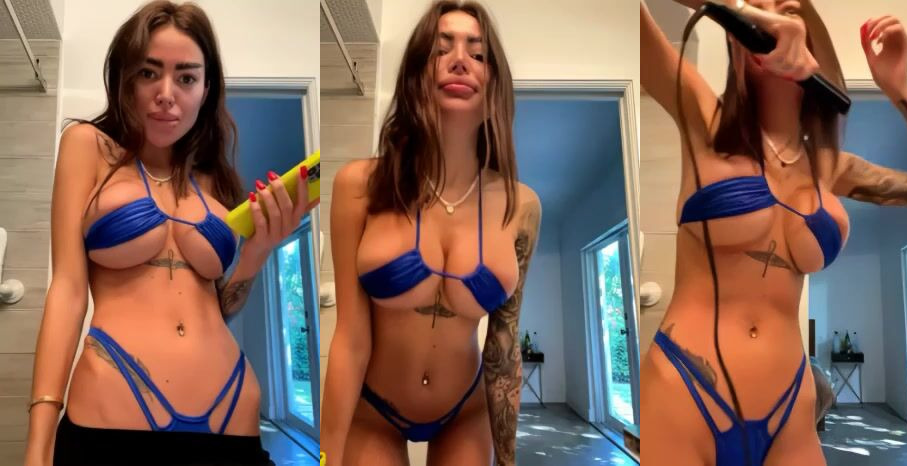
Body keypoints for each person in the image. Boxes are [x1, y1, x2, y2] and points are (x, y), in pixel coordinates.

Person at [637, 0, 907, 464]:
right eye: (754, 8)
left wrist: (900, 90)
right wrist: (741, 9)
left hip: (790, 406)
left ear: (812, 38)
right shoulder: (702, 117)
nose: (768, 15)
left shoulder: (832, 168)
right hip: (684, 389)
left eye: (785, 8)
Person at [24, 2, 317, 464]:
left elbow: (219, 307)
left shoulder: (215, 181)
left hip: (231, 413)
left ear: (205, 88)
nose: (166, 93)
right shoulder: (88, 147)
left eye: (186, 77)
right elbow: (68, 290)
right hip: (112, 413)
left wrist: (257, 253)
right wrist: (39, 438)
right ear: (125, 79)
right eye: (149, 73)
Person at [317, 2, 541, 465]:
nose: (459, 60)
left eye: (477, 54)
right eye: (442, 49)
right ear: (416, 74)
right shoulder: (360, 186)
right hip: (374, 411)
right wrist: (326, 458)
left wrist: (508, 460)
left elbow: (504, 347)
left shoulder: (520, 206)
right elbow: (350, 338)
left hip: (465, 412)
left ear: (495, 86)